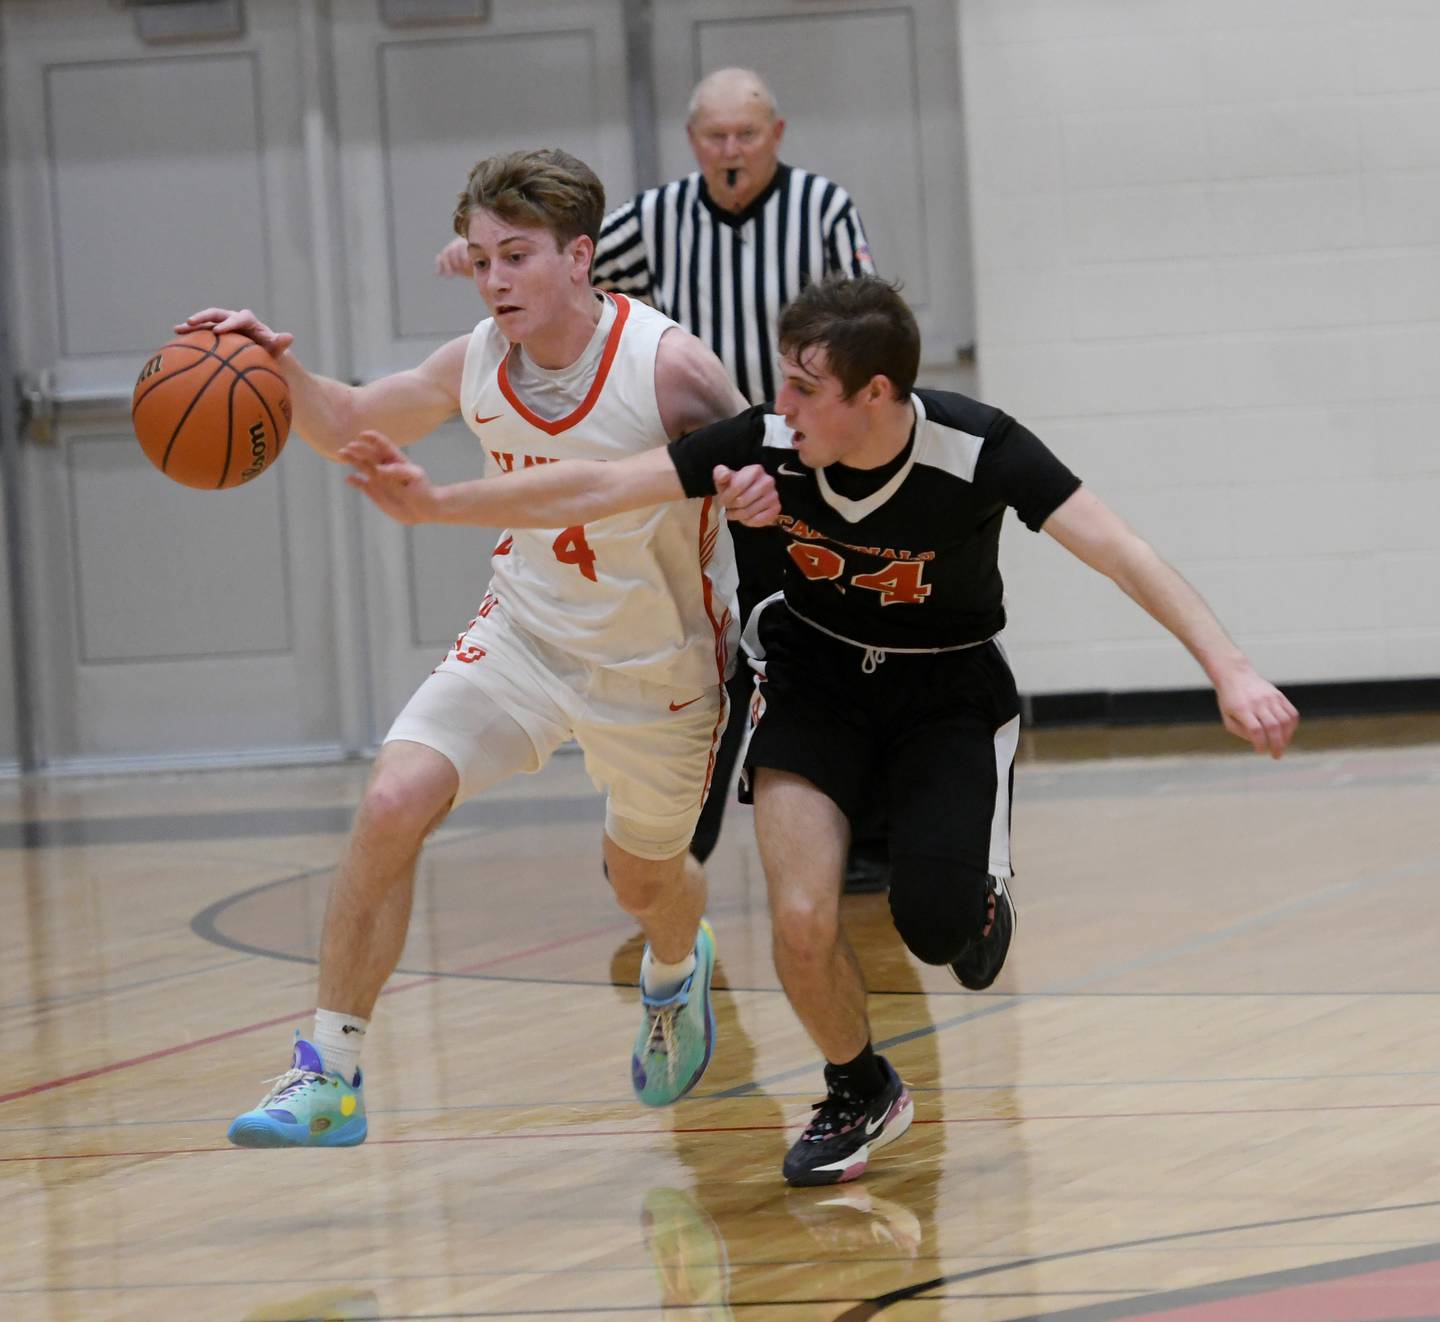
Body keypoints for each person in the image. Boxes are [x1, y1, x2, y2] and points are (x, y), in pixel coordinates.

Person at [342, 274, 1300, 1187]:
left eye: (805, 386)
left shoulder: (982, 449)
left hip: (946, 698)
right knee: (802, 919)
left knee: (935, 930)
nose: (780, 402)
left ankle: (979, 890)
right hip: (816, 685)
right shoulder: (761, 444)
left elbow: (1123, 551)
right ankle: (858, 1089)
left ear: (874, 393)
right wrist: (435, 506)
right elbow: (593, 489)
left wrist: (1232, 669)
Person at [179, 147, 779, 1148]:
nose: (496, 278)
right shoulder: (474, 363)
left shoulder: (669, 367)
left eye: (518, 255)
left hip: (656, 672)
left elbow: (766, 476)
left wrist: (754, 508)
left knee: (642, 884)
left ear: (581, 256)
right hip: (525, 636)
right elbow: (357, 420)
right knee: (390, 800)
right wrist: (274, 366)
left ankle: (677, 968)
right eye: (481, 256)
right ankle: (328, 1069)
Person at [436, 68, 888, 888]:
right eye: (715, 136)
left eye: (744, 135)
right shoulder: (654, 219)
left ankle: (861, 834)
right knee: (717, 650)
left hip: (795, 451)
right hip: (697, 462)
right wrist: (483, 250)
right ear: (694, 143)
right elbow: (561, 258)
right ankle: (678, 843)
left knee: (823, 644)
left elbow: (866, 312)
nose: (730, 150)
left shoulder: (823, 208)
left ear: (774, 136)